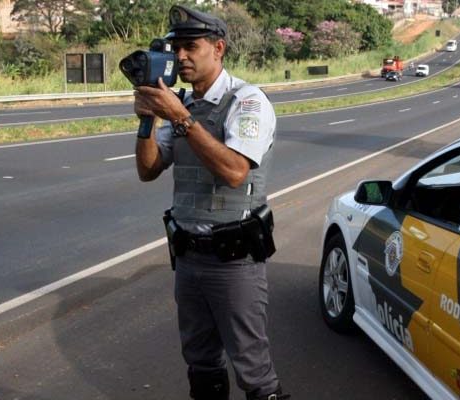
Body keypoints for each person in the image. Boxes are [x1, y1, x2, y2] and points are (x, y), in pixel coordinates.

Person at [133, 5, 288, 400]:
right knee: (201, 363)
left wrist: (180, 117)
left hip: (233, 260)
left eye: (190, 47)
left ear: (218, 48)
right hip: (188, 257)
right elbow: (148, 170)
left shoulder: (247, 101)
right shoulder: (185, 105)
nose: (180, 57)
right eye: (176, 48)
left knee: (253, 370)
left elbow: (235, 171)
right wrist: (148, 121)